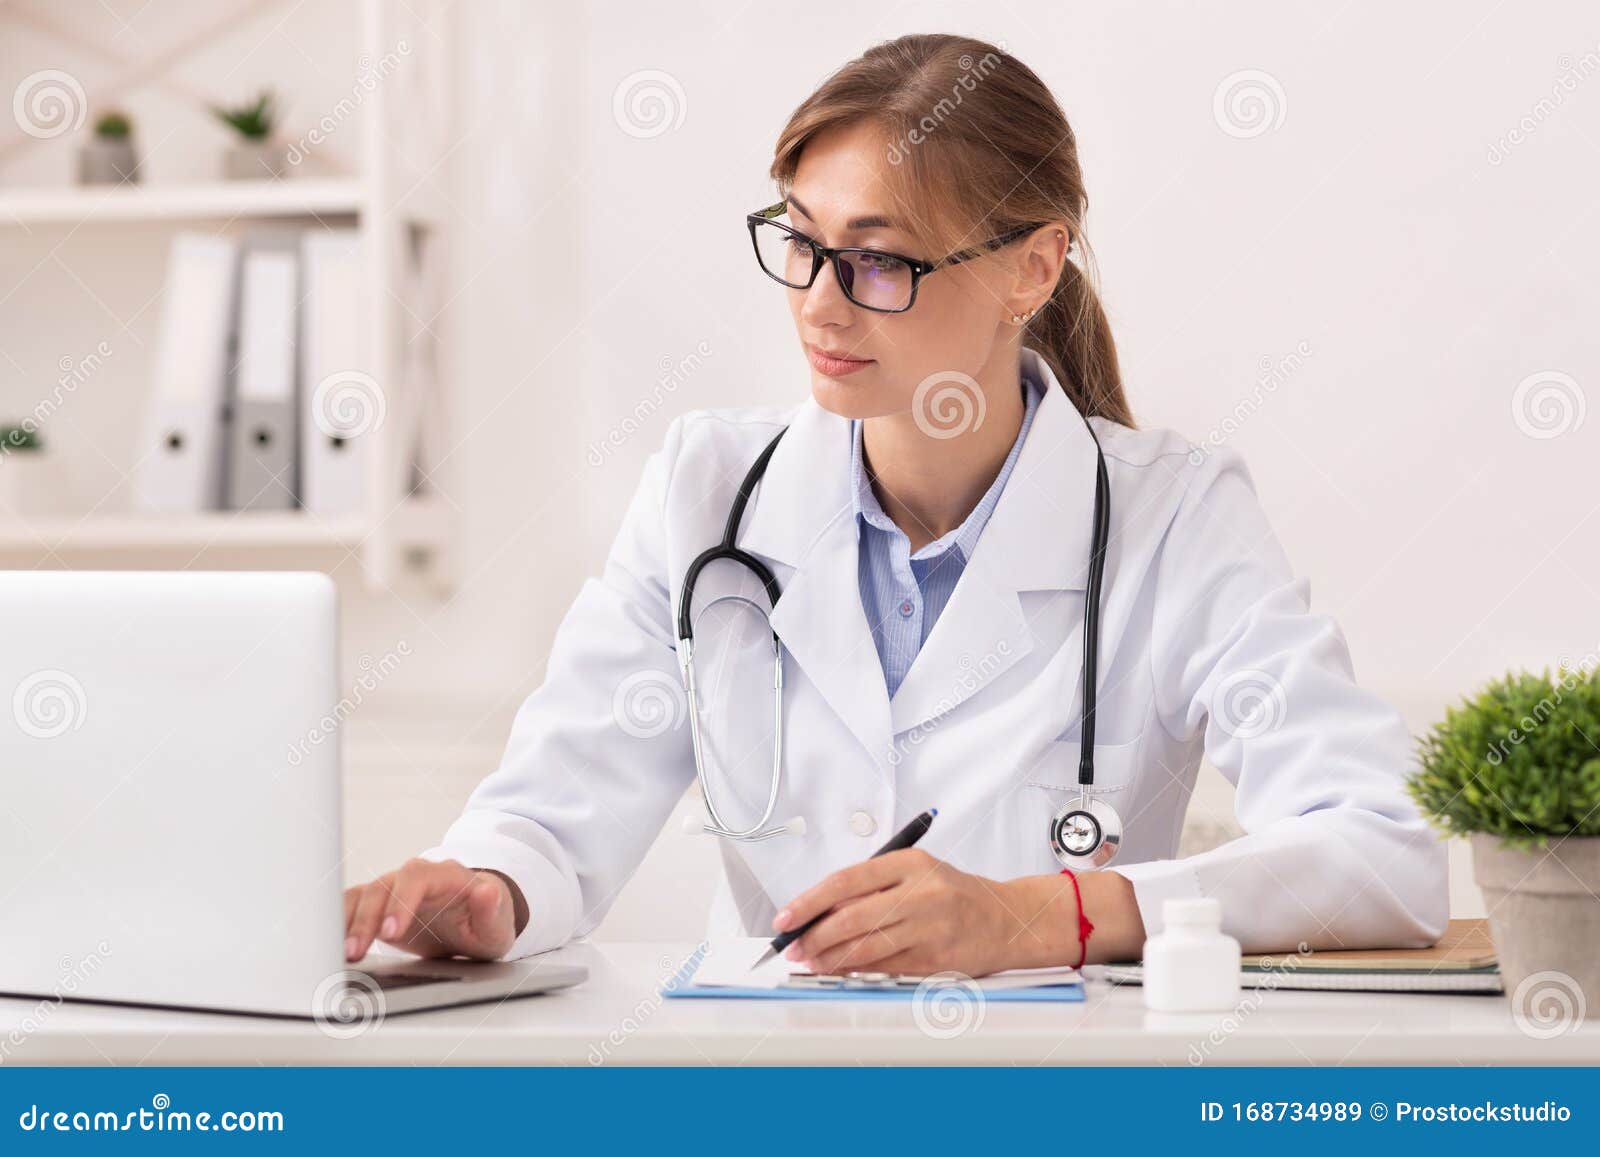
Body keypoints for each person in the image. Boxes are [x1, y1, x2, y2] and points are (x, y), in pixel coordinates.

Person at [343, 33, 1447, 977]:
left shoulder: (1173, 515)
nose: (818, 305)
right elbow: (553, 808)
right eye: (800, 241)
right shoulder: (707, 493)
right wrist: (491, 887)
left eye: (875, 261)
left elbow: (1384, 850)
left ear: (1032, 268)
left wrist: (1037, 915)